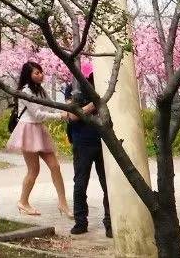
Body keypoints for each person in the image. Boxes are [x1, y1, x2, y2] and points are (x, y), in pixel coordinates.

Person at [6, 60, 70, 217]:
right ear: (29, 75)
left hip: (38, 130)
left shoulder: (40, 90)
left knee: (55, 166)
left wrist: (68, 107)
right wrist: (60, 116)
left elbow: (49, 106)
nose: (41, 75)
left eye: (41, 72)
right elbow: (38, 114)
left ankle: (63, 203)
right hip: (28, 129)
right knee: (34, 170)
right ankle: (23, 201)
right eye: (37, 72)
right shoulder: (26, 91)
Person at [64, 68, 112, 237]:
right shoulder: (72, 89)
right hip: (82, 142)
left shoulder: (104, 89)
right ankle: (80, 222)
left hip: (104, 141)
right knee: (80, 182)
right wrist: (95, 103)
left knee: (107, 184)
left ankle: (110, 223)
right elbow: (72, 116)